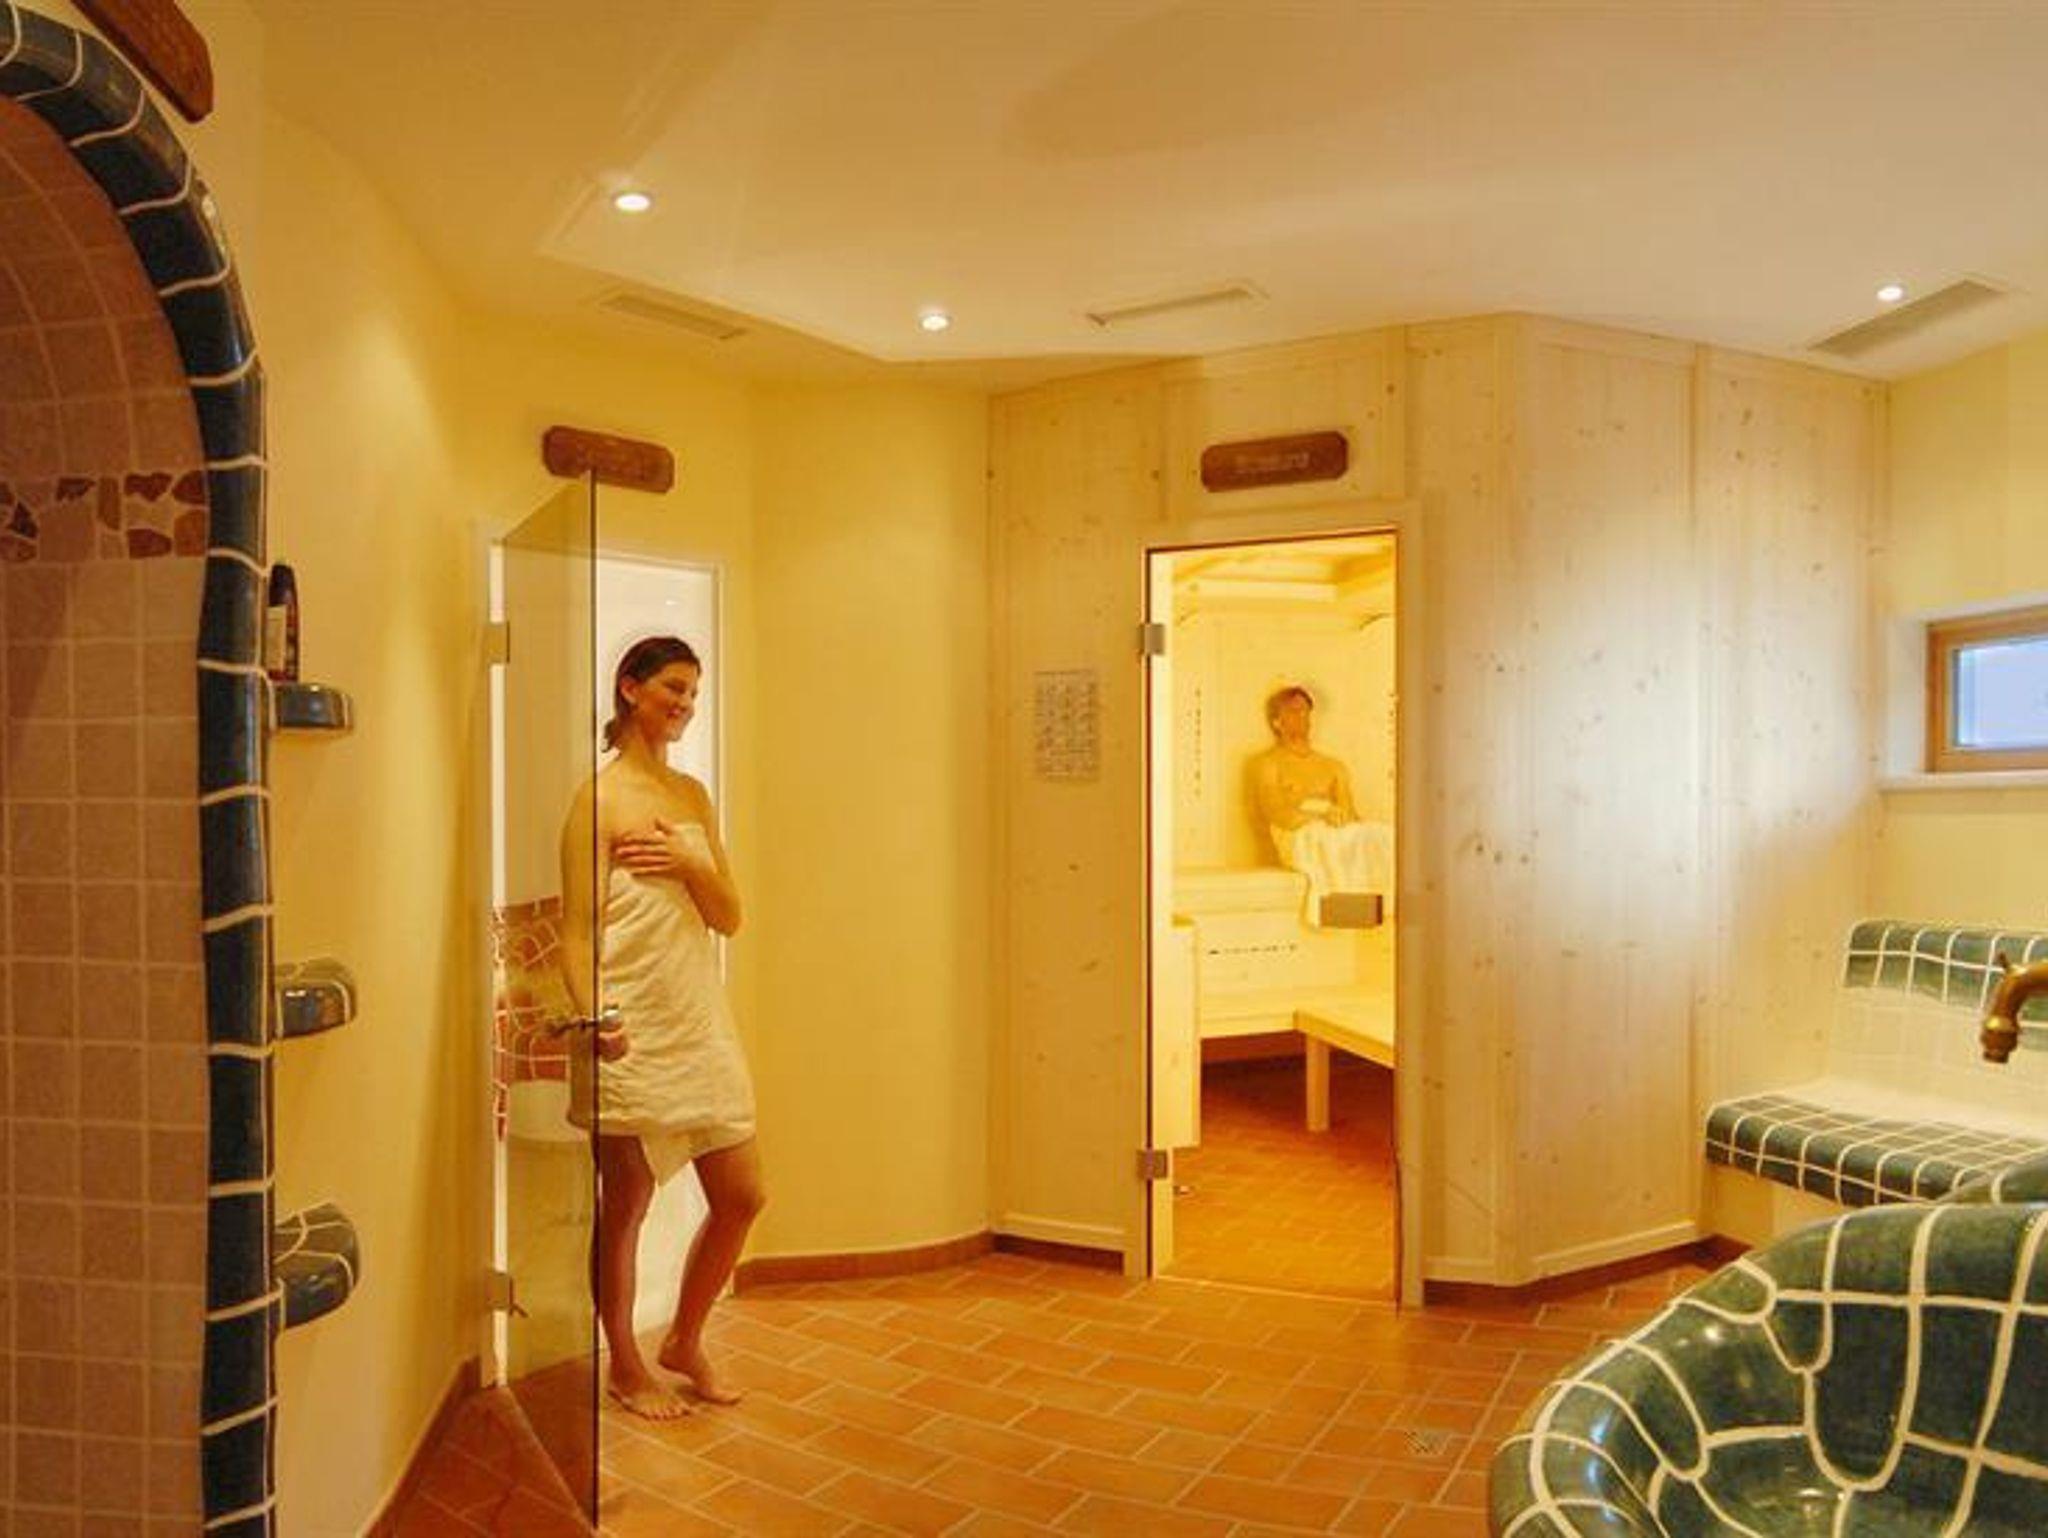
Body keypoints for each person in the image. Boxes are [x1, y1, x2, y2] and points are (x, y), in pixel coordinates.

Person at [558, 635, 765, 1420]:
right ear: (630, 688)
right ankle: (625, 1363)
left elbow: (729, 916)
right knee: (626, 1204)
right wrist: (597, 1017)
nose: (685, 704)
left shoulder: (691, 796)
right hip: (630, 1023)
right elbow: (577, 931)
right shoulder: (598, 799)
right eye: (674, 688)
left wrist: (691, 863)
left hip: (696, 1017)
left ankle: (684, 1339)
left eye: (693, 693)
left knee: (743, 1195)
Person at [1250, 684, 1391, 923]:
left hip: (1332, 827)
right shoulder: (1268, 763)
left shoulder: (1333, 766)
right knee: (1327, 839)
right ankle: (1338, 911)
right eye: (1293, 711)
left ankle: (1382, 909)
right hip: (1296, 833)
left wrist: (1340, 816)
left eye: (1305, 711)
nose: (1302, 717)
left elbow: (1350, 813)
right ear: (1277, 722)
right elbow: (1275, 813)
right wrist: (1319, 816)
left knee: (1383, 835)